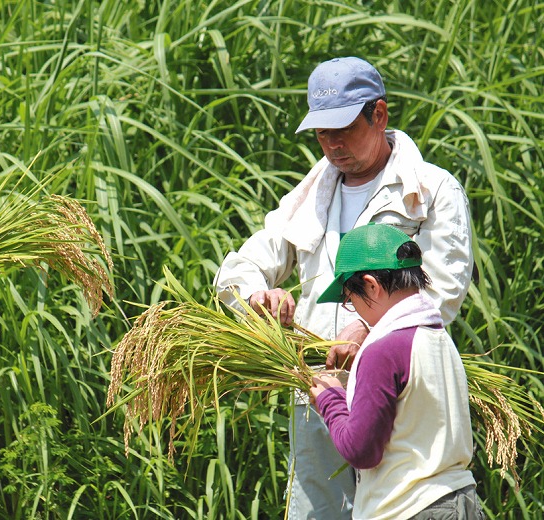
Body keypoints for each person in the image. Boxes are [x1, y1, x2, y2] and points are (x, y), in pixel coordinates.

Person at [213, 57, 473, 518]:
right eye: (321, 133)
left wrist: (365, 334)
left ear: (379, 115)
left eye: (344, 129)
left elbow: (442, 292)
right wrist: (259, 297)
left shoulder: (430, 189)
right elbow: (240, 268)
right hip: (320, 394)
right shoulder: (309, 195)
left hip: (401, 396)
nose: (332, 144)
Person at [310, 223, 483, 519]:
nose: (354, 308)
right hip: (460, 501)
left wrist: (330, 398)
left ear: (371, 285)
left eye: (350, 299)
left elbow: (361, 450)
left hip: (411, 508)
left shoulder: (383, 351)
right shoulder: (440, 339)